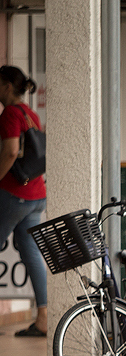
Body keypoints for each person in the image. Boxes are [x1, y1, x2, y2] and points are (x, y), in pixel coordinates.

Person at [0, 66, 47, 337]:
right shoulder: (30, 114)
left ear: (7, 86)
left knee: (29, 251)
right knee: (30, 252)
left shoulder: (9, 114)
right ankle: (43, 316)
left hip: (14, 193)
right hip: (36, 193)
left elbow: (11, 151)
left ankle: (42, 317)